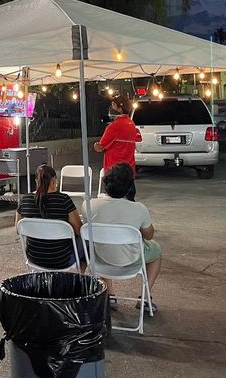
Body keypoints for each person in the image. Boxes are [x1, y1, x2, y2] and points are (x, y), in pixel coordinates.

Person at [84, 162, 162, 314]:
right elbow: (149, 235)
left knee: (99, 244)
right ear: (129, 187)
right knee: (156, 250)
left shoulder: (90, 205)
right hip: (132, 260)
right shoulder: (139, 208)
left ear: (106, 185)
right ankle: (145, 297)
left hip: (100, 260)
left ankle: (111, 294)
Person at [16, 164, 83, 270]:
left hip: (34, 258)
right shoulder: (63, 200)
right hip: (62, 259)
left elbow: (18, 229)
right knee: (87, 243)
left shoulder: (25, 200)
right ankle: (77, 279)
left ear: (36, 181)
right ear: (54, 180)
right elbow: (80, 230)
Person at [94, 95, 137, 175]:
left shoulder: (114, 126)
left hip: (114, 172)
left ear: (120, 108)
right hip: (129, 170)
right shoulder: (131, 124)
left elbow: (100, 147)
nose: (111, 107)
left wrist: (96, 145)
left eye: (113, 105)